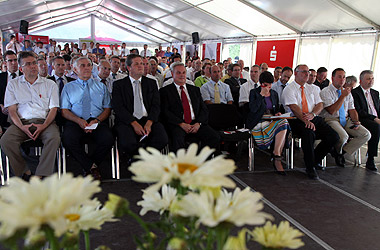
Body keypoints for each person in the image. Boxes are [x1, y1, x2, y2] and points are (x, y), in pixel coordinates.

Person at [0, 51, 60, 178]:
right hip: (21, 123)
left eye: (34, 63)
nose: (33, 66)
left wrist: (43, 126)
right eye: (28, 64)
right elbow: (11, 110)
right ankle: (24, 171)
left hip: (45, 122)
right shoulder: (13, 84)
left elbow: (53, 109)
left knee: (54, 138)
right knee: (6, 141)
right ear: (21, 69)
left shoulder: (50, 84)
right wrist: (22, 127)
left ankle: (41, 174)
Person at [60, 57, 114, 180]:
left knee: (108, 139)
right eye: (82, 65)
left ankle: (90, 166)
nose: (87, 68)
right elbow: (64, 111)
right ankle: (92, 167)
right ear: (74, 69)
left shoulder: (101, 86)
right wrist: (79, 121)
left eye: (89, 65)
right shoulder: (69, 87)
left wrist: (97, 121)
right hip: (76, 120)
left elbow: (107, 109)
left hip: (96, 120)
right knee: (68, 139)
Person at [282, 64, 339, 179]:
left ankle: (314, 160)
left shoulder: (313, 88)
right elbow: (294, 107)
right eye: (303, 72)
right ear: (296, 73)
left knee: (333, 136)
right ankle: (310, 168)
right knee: (309, 133)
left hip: (313, 116)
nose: (307, 74)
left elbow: (320, 104)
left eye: (307, 72)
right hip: (296, 119)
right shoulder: (289, 88)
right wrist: (305, 120)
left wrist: (312, 115)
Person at [112, 54, 168, 159]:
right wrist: (133, 123)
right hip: (128, 121)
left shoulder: (151, 83)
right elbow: (118, 108)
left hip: (148, 119)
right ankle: (138, 159)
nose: (141, 66)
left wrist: (149, 122)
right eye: (136, 64)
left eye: (142, 63)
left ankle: (139, 160)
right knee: (128, 142)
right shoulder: (119, 85)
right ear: (128, 68)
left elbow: (156, 105)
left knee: (162, 139)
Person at [160, 62, 220, 152]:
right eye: (178, 73)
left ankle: (200, 160)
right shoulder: (165, 91)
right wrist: (181, 124)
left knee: (214, 137)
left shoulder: (194, 89)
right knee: (177, 140)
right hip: (178, 124)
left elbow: (203, 109)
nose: (182, 75)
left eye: (183, 72)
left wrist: (198, 124)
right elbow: (165, 112)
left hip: (196, 123)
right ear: (172, 74)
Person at [319, 68, 370, 167]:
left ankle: (340, 153)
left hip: (346, 119)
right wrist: (342, 96)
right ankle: (338, 151)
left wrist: (356, 121)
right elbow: (332, 111)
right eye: (339, 77)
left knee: (365, 134)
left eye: (344, 77)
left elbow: (352, 109)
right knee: (343, 137)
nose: (342, 80)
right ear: (332, 78)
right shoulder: (326, 91)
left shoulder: (347, 92)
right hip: (331, 119)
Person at [246, 71, 290, 175]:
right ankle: (277, 156)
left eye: (270, 84)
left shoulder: (274, 93)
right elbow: (253, 109)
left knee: (284, 122)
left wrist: (278, 113)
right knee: (283, 124)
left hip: (271, 120)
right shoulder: (254, 92)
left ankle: (276, 153)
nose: (268, 87)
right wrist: (261, 95)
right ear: (261, 84)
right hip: (258, 122)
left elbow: (276, 108)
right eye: (266, 84)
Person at [351, 70, 380, 171]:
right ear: (361, 80)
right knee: (376, 127)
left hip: (375, 118)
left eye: (372, 79)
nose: (371, 81)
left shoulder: (375, 93)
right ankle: (370, 159)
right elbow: (359, 111)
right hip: (363, 119)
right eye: (368, 79)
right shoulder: (355, 93)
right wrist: (374, 119)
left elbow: (378, 108)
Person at [0, 51, 23, 130]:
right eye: (10, 61)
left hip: (22, 111)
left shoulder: (25, 76)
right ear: (5, 63)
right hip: (3, 113)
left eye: (15, 60)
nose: (13, 63)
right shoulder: (1, 77)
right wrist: (1, 105)